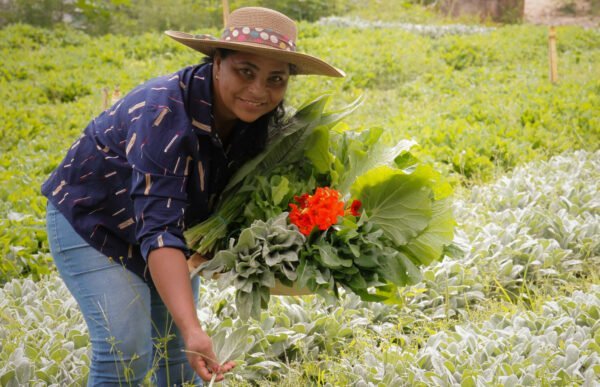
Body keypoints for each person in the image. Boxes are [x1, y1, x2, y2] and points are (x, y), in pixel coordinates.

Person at [42, 6, 344, 386]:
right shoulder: (162, 111)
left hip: (167, 232)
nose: (258, 91)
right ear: (217, 61)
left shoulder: (264, 127)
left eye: (275, 79)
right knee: (126, 349)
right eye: (245, 71)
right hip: (94, 219)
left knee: (180, 360)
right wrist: (193, 327)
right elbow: (158, 227)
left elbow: (244, 207)